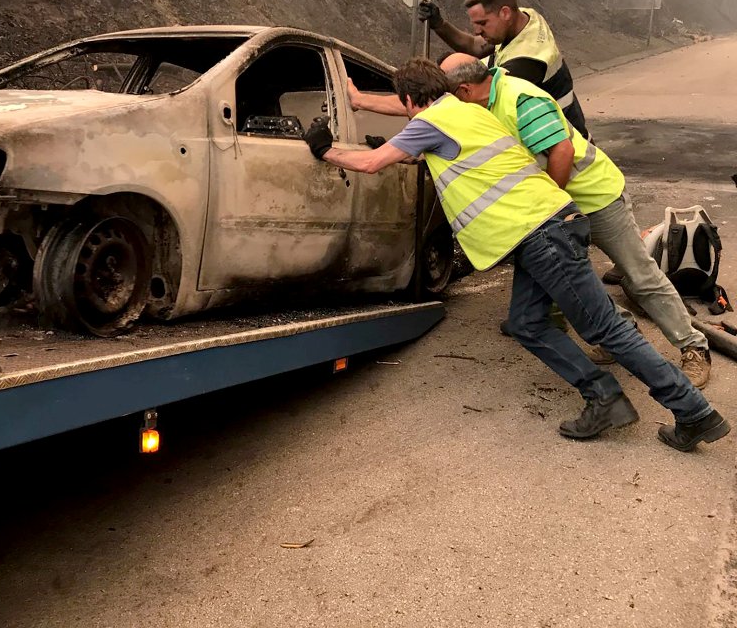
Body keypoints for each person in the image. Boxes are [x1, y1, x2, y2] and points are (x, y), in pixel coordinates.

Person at [303, 57, 728, 451]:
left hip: (542, 234)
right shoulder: (469, 111)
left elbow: (373, 162)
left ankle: (693, 411)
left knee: (605, 329)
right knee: (526, 324)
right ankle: (605, 397)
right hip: (546, 228)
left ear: (412, 100)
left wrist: (325, 148)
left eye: (408, 106)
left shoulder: (431, 120)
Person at [440, 53, 712, 388]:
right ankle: (623, 331)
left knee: (640, 276)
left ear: (464, 89)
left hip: (595, 199)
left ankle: (694, 348)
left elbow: (562, 152)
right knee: (572, 281)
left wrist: (551, 203)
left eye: (447, 93)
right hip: (561, 207)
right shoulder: (483, 105)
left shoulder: (518, 98)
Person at [418, 0, 588, 137]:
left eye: (482, 23)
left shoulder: (527, 61)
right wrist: (440, 24)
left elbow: (477, 99)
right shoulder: (523, 18)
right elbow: (475, 46)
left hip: (566, 147)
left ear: (505, 13)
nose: (477, 31)